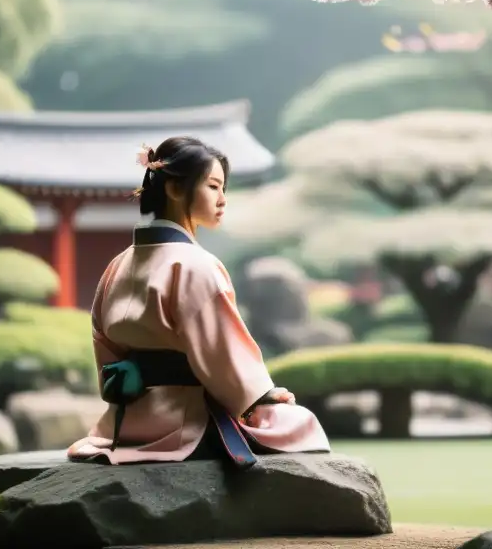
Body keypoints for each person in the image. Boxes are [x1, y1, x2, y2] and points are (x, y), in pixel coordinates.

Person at [68, 136, 330, 467]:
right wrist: (260, 396)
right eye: (213, 186)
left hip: (124, 421)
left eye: (223, 189)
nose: (222, 199)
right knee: (300, 422)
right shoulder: (196, 265)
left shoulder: (117, 265)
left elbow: (104, 346)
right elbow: (222, 355)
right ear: (175, 189)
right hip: (186, 418)